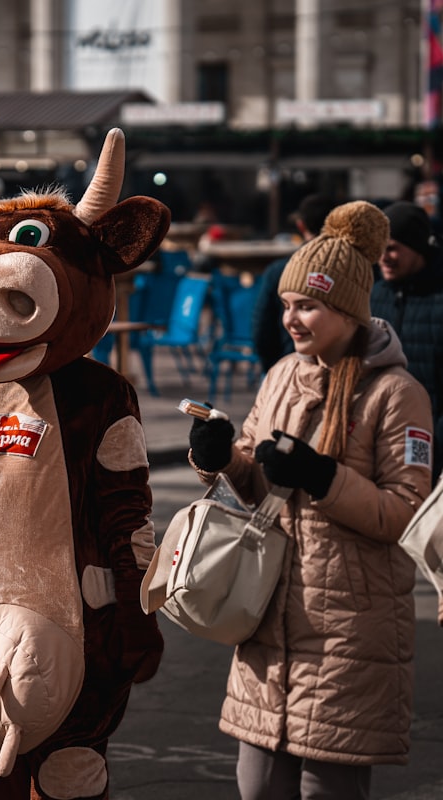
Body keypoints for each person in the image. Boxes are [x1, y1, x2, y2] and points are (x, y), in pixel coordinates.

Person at [186, 200, 433, 799]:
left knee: (328, 787)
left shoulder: (398, 394)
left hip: (351, 625)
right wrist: (222, 456)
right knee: (257, 786)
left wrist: (322, 477)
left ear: (348, 310)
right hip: (267, 612)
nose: (292, 320)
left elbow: (403, 513)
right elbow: (253, 480)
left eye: (309, 306)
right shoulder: (280, 377)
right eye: (287, 306)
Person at [371, 201, 443, 482]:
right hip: (380, 442)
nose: (384, 257)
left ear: (418, 248)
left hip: (433, 448)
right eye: (379, 249)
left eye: (392, 247)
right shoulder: (374, 295)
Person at [251, 193, 337, 372]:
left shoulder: (279, 270)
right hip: (338, 370)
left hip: (288, 367)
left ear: (301, 225)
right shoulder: (355, 272)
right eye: (287, 307)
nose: (290, 318)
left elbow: (261, 330)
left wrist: (274, 370)